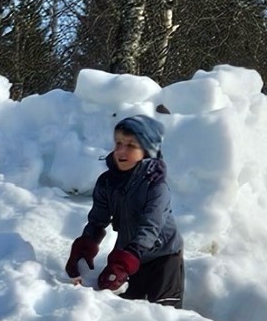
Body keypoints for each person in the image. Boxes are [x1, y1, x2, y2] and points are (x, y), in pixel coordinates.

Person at [65, 115, 184, 307]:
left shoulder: (156, 187)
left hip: (163, 257)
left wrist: (123, 262)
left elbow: (150, 227)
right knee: (125, 309)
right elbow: (98, 219)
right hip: (128, 254)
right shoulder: (107, 182)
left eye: (131, 145)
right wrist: (85, 245)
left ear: (148, 151)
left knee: (165, 312)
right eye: (118, 143)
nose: (121, 150)